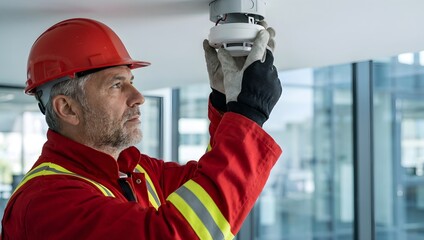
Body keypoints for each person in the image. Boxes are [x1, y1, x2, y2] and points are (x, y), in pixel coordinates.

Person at [1, 18, 282, 239]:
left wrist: (227, 105)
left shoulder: (135, 171)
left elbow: (207, 188)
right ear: (68, 109)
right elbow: (176, 233)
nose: (138, 97)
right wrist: (249, 113)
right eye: (116, 84)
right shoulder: (46, 203)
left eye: (130, 81)